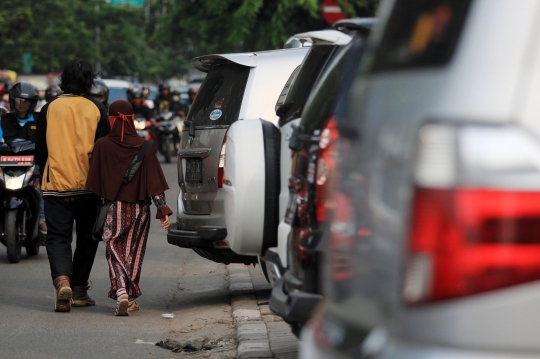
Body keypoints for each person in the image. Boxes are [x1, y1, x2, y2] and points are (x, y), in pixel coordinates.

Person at [36, 58, 110, 312]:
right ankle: (78, 290)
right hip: (88, 187)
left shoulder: (49, 109)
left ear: (63, 80)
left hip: (56, 184)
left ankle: (62, 282)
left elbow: (40, 150)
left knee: (57, 237)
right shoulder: (98, 108)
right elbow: (104, 153)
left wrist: (46, 171)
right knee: (88, 239)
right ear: (90, 81)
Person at [86, 100, 172, 316]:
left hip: (114, 208)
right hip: (140, 211)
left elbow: (94, 184)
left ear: (112, 119)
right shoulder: (145, 146)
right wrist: (162, 211)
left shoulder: (102, 145)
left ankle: (122, 292)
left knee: (114, 250)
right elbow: (154, 183)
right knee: (133, 253)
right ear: (132, 119)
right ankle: (130, 298)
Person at [1, 82, 47, 235]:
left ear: (32, 103)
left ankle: (41, 219)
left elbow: (46, 142)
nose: (22, 105)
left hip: (32, 165)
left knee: (42, 183)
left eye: (26, 101)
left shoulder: (40, 120)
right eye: (19, 100)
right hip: (7, 166)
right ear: (12, 101)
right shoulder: (4, 120)